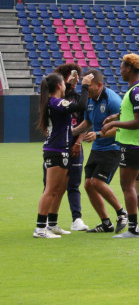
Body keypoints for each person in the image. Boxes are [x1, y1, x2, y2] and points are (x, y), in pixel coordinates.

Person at [34, 71, 94, 238]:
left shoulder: (52, 101)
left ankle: (52, 224)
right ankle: (40, 228)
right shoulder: (55, 102)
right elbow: (80, 106)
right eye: (63, 84)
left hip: (60, 149)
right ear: (59, 86)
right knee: (50, 189)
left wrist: (68, 84)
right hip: (56, 150)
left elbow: (67, 101)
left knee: (59, 189)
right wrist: (85, 86)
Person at [101, 53, 139, 238]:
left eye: (122, 67)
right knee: (138, 183)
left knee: (127, 185)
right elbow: (134, 114)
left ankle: (132, 228)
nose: (120, 71)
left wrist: (113, 124)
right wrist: (117, 116)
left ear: (129, 69)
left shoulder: (136, 92)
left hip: (133, 144)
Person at [71, 69, 128, 233]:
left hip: (113, 147)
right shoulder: (89, 100)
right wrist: (71, 132)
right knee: (88, 185)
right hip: (98, 148)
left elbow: (120, 128)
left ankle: (121, 212)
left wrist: (98, 134)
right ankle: (106, 223)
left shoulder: (113, 101)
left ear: (100, 85)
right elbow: (87, 122)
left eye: (89, 87)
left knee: (97, 182)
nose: (86, 90)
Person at [47, 63, 89, 231]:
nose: (76, 80)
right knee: (51, 186)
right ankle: (48, 222)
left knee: (73, 184)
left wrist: (78, 142)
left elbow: (86, 121)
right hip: (58, 146)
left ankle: (76, 219)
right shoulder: (55, 99)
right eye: (73, 76)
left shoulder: (78, 97)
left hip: (74, 145)